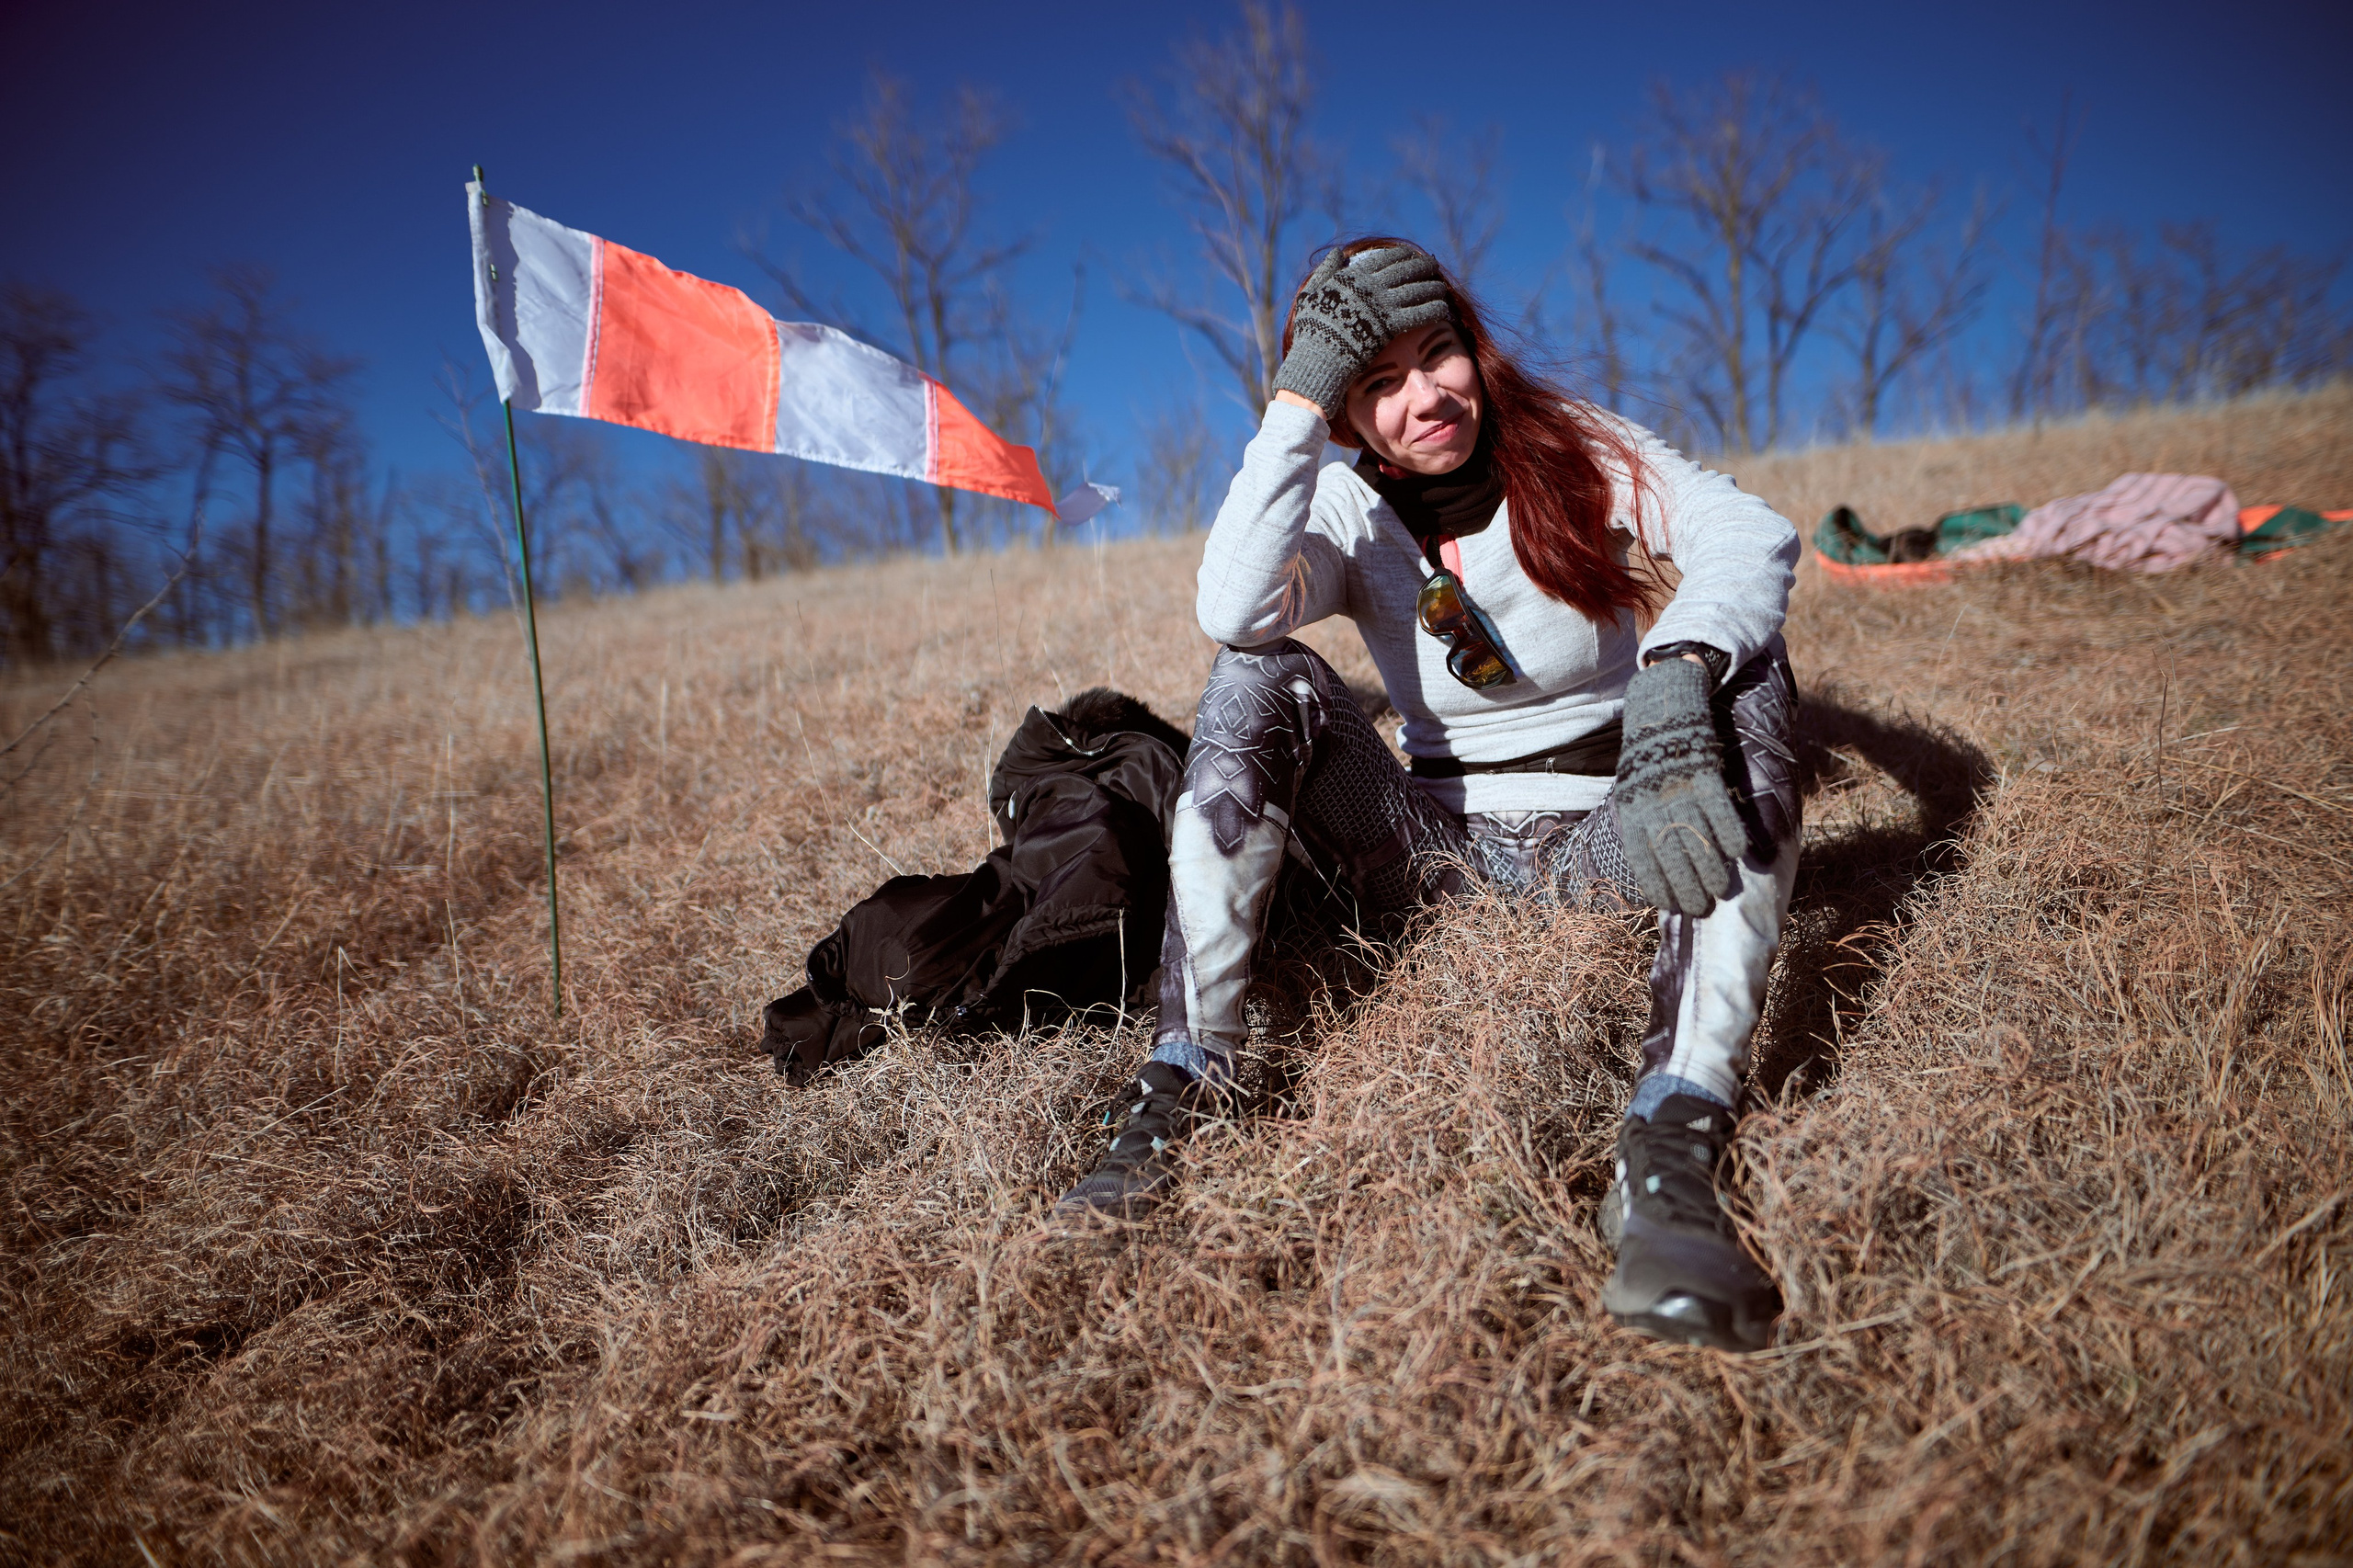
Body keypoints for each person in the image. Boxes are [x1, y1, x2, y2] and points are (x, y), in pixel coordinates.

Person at [1055, 239, 1802, 1355]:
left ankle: (1672, 1137)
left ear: (1474, 350)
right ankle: (1186, 1076)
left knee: (1746, 663)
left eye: (1437, 354)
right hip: (1432, 851)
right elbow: (1234, 604)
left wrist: (1676, 671)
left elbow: (1749, 533)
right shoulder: (1348, 508)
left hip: (1614, 834)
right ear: (1347, 410)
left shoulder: (1580, 448)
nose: (1422, 398)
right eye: (1376, 383)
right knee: (1257, 670)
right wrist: (1300, 398)